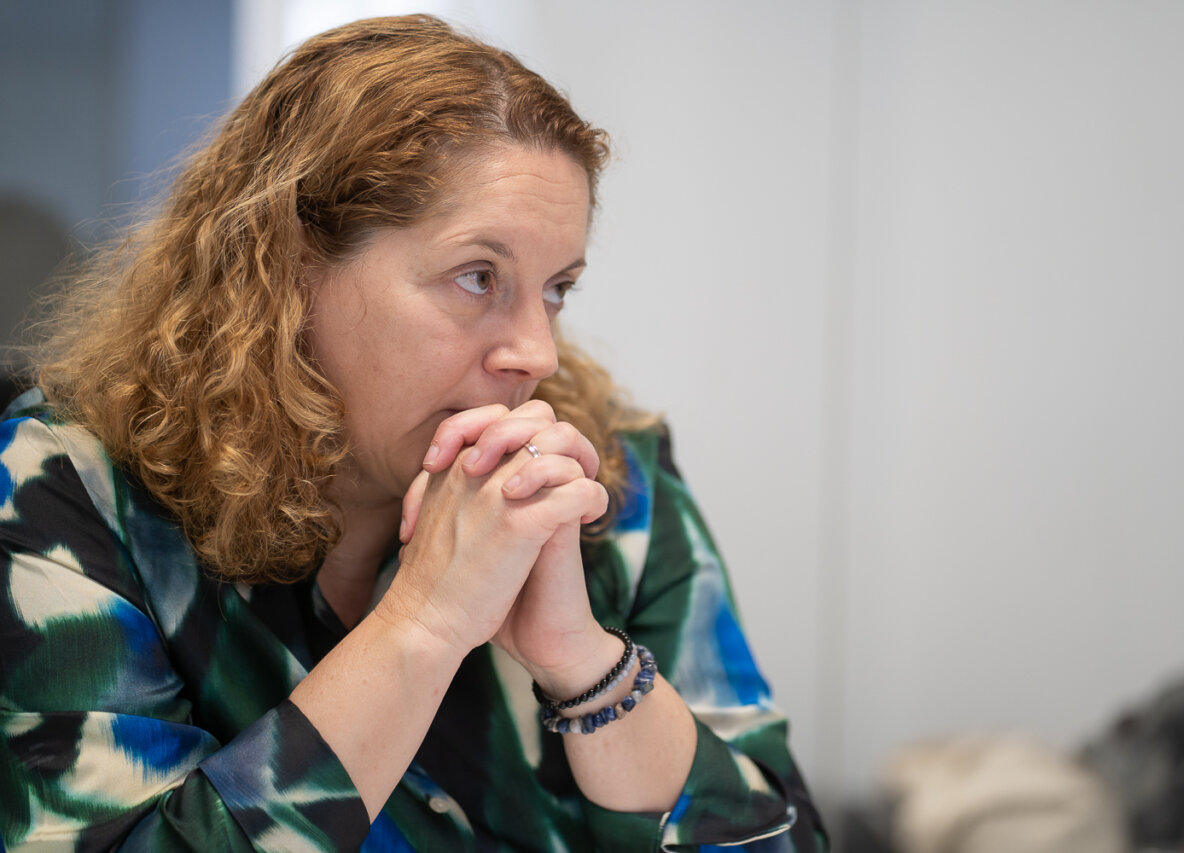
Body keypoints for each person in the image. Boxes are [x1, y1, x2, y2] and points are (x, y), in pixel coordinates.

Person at [0, 14, 825, 852]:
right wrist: (425, 623)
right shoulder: (71, 490)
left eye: (557, 288)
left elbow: (785, 837)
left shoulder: (613, 480)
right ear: (288, 269)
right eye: (478, 277)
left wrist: (589, 667)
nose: (537, 353)